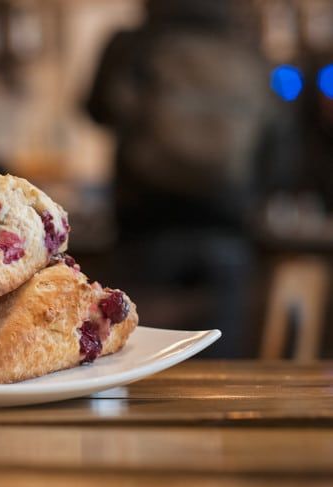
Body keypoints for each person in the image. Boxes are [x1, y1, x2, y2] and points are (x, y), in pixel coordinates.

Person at [82, 0, 298, 357]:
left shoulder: (132, 45)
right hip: (228, 234)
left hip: (144, 231)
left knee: (133, 363)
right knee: (221, 375)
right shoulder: (249, 51)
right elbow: (281, 154)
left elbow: (95, 109)